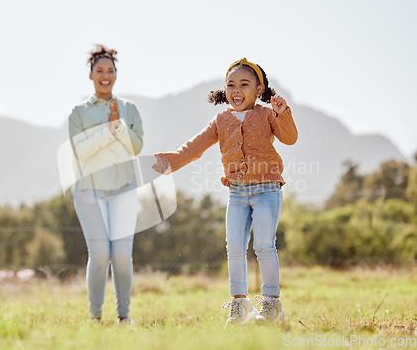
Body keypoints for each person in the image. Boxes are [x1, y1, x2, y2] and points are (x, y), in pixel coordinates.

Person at [152, 58, 298, 325]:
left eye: (244, 84)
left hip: (267, 190)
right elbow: (195, 147)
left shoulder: (267, 114)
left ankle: (271, 303)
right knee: (234, 247)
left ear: (259, 89)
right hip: (238, 193)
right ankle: (240, 303)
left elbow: (289, 138)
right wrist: (173, 160)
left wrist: (283, 112)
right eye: (231, 85)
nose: (236, 89)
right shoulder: (221, 120)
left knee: (265, 246)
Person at [68, 45, 143, 325]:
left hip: (124, 188)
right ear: (90, 75)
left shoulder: (130, 109)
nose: (105, 75)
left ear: (116, 75)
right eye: (100, 70)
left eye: (110, 70)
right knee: (100, 255)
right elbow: (81, 152)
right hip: (90, 190)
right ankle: (95, 317)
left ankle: (124, 317)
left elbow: (136, 147)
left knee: (122, 257)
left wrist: (120, 127)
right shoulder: (78, 113)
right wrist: (108, 130)